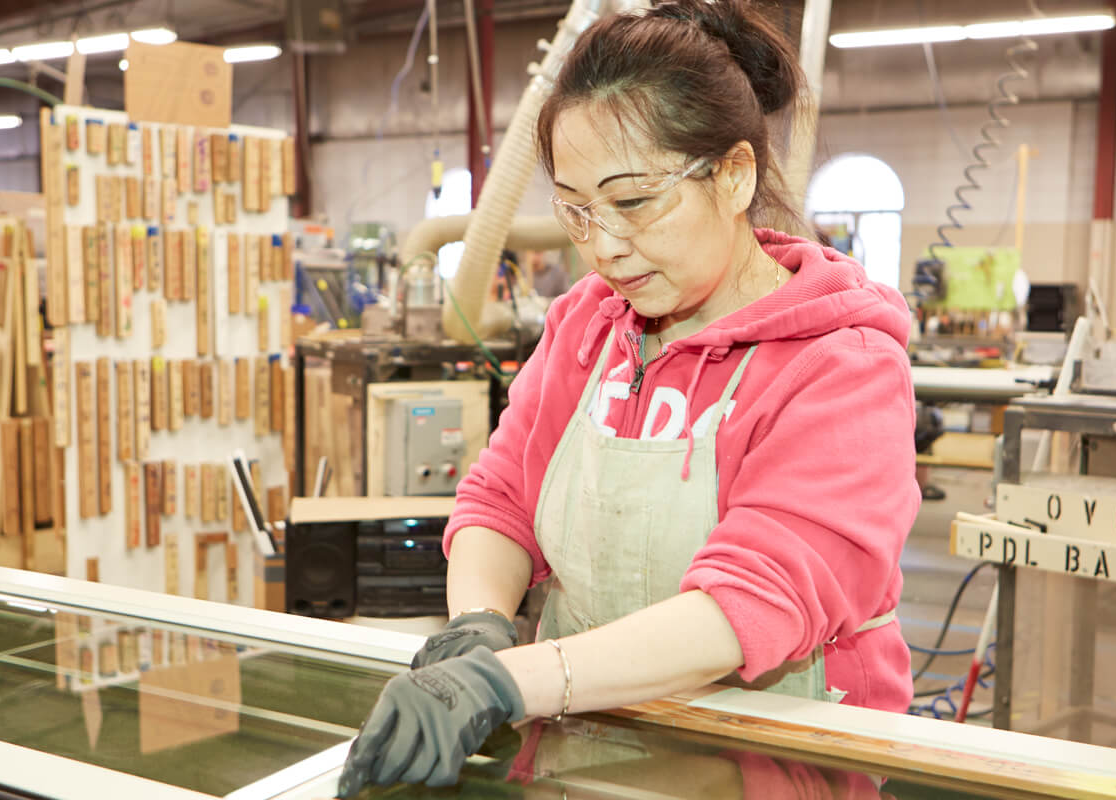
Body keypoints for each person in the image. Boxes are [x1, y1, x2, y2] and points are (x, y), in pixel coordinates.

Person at [337, 1, 919, 793]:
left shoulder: (841, 365)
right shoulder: (589, 323)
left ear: (735, 174)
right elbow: (503, 497)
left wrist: (510, 683)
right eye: (576, 209)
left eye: (634, 201)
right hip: (585, 754)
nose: (605, 245)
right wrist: (478, 623)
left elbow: (751, 599)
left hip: (772, 766)